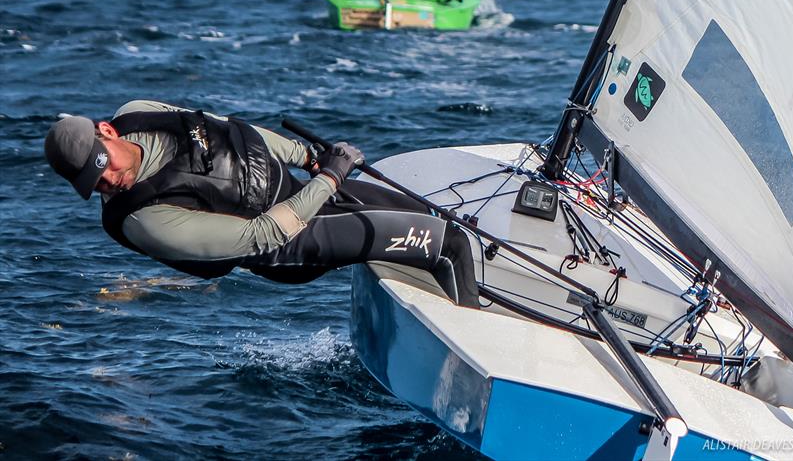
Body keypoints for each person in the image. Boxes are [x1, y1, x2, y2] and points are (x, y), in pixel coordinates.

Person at [44, 100, 480, 308]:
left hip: (300, 191)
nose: (107, 181)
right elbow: (263, 235)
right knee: (450, 244)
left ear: (109, 131)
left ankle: (466, 297)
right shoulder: (140, 219)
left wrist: (307, 159)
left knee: (428, 216)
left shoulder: (140, 112)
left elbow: (237, 133)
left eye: (103, 165)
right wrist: (331, 175)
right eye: (92, 183)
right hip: (290, 245)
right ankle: (478, 342)